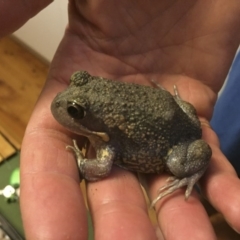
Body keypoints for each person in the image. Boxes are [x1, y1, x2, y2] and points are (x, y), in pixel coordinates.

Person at [2, 1, 240, 239]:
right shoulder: (105, 109)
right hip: (174, 109)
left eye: (74, 110)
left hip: (177, 140)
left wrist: (81, 161)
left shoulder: (107, 141)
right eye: (77, 80)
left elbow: (101, 167)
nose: (60, 101)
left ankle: (195, 183)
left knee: (180, 164)